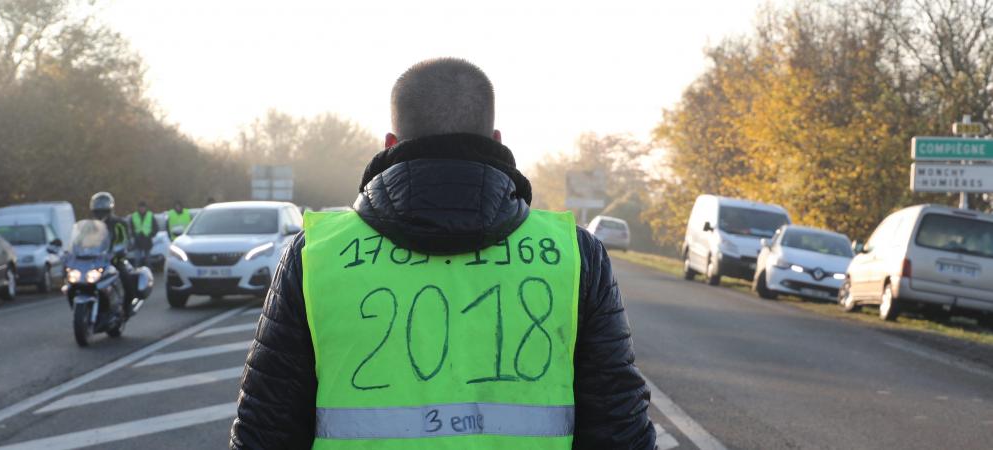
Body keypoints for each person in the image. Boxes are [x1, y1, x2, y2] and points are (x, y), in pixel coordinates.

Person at [231, 58, 655, 449]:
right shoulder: (572, 254)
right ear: (496, 140)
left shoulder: (318, 255)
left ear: (391, 142)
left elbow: (265, 430)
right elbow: (620, 429)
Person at [89, 192, 132, 318]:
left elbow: (124, 239)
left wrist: (118, 250)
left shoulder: (118, 223)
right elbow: (82, 241)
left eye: (103, 211)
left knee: (126, 279)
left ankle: (126, 308)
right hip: (95, 260)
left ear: (109, 210)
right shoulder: (91, 226)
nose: (100, 214)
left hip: (115, 259)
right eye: (98, 211)